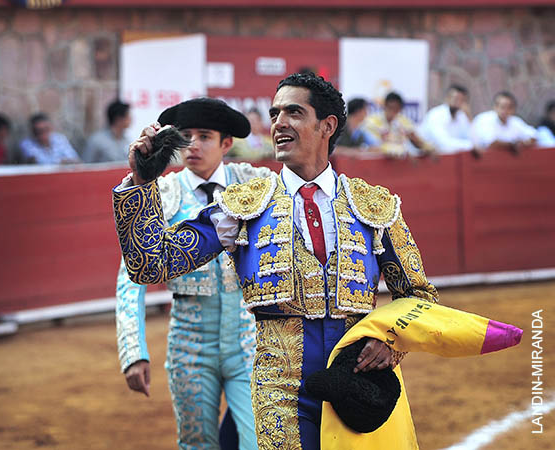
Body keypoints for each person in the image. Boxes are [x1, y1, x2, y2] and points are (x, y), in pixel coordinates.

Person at [113, 72, 439, 450]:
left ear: (327, 126)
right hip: (278, 394)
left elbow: (418, 296)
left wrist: (391, 341)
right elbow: (153, 264)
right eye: (274, 113)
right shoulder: (243, 206)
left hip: (355, 385)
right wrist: (140, 182)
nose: (278, 123)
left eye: (294, 113)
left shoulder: (372, 206)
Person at [116, 98, 270, 450]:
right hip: (189, 342)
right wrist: (134, 350)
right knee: (197, 444)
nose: (193, 145)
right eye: (185, 137)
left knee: (259, 442)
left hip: (249, 341)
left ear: (226, 144)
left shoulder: (254, 185)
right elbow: (130, 275)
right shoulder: (162, 192)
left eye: (204, 136)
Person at [363, 92, 434, 158]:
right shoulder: (372, 122)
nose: (392, 112)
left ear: (400, 109)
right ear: (384, 106)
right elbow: (373, 146)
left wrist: (424, 146)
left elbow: (418, 142)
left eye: (396, 109)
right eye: (390, 107)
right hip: (378, 162)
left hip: (400, 163)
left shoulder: (404, 122)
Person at [471, 91, 537, 153]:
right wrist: (513, 144)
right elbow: (492, 143)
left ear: (514, 109)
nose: (505, 111)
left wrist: (523, 143)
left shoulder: (515, 121)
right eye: (502, 107)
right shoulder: (484, 119)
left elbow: (534, 136)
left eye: (509, 107)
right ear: (495, 107)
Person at [418, 85, 474, 154]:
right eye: (455, 98)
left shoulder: (462, 116)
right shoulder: (436, 115)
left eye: (461, 100)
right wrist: (471, 146)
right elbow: (444, 145)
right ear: (447, 98)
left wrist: (469, 118)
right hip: (425, 159)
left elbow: (474, 140)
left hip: (449, 158)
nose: (457, 102)